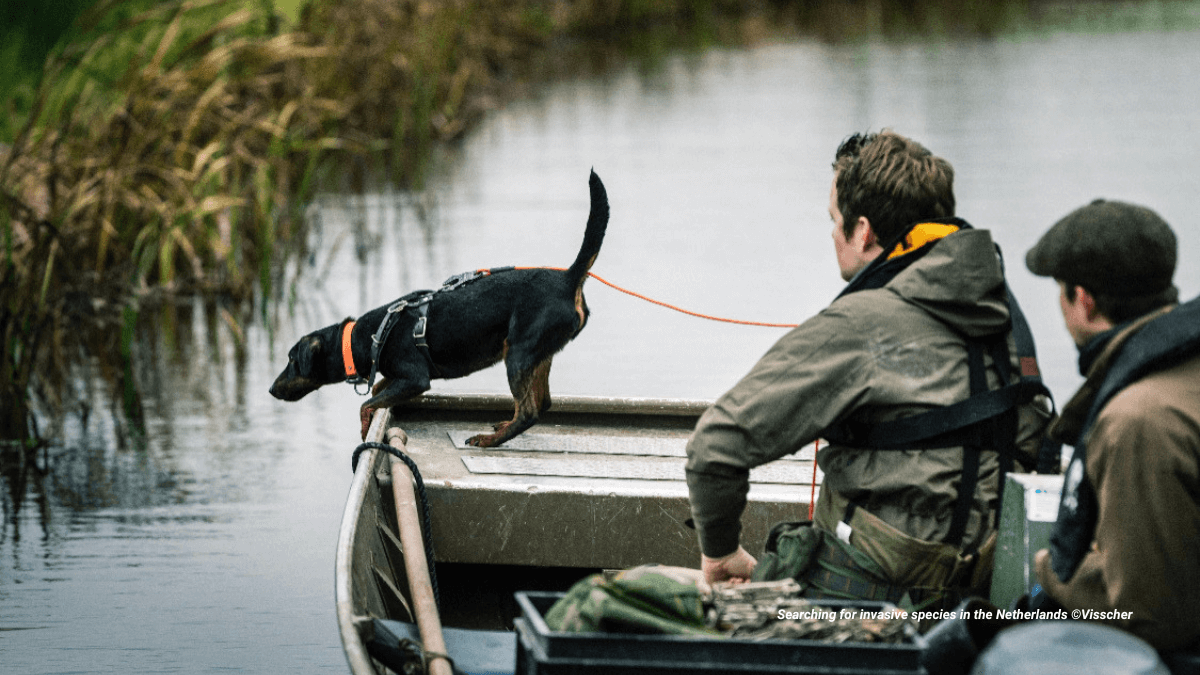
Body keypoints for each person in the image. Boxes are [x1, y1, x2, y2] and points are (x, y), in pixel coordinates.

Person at [684, 130, 1053, 609]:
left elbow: (715, 448)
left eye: (835, 221)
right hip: (980, 600)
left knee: (645, 588)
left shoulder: (861, 323)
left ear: (863, 231)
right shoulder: (1004, 317)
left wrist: (721, 555)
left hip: (866, 603)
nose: (833, 234)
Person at [1026, 199, 1200, 654]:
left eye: (1060, 292)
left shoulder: (1138, 421)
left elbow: (1150, 617)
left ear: (1082, 299)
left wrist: (1052, 571)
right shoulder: (1183, 367)